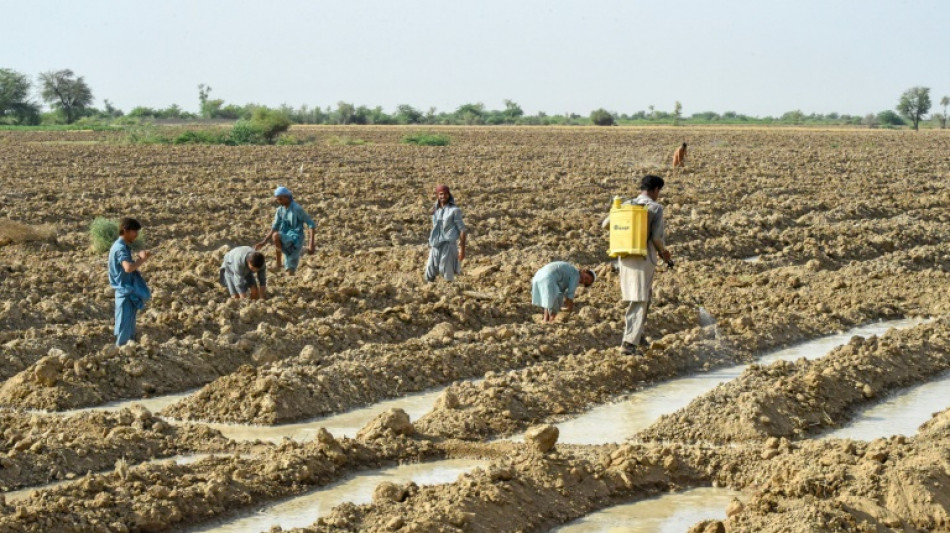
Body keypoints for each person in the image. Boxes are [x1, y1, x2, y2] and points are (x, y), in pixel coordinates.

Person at [617, 175, 672, 355]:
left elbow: (606, 224)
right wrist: (665, 254)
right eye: (659, 191)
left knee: (643, 296)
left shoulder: (625, 204)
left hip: (624, 256)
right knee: (640, 299)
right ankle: (628, 343)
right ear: (655, 190)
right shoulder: (655, 208)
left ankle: (638, 336)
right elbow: (656, 238)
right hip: (643, 257)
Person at [108, 218, 151, 346]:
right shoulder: (120, 248)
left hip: (126, 292)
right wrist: (142, 260)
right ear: (125, 231)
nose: (136, 235)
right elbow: (128, 268)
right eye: (134, 232)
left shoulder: (121, 246)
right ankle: (121, 356)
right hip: (124, 293)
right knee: (124, 328)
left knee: (128, 327)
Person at [255, 186, 316, 275]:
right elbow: (275, 227)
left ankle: (288, 271)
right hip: (285, 237)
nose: (278, 201)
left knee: (290, 268)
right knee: (276, 235)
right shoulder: (280, 210)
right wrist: (264, 241)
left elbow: (311, 224)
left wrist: (311, 244)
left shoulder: (297, 209)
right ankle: (279, 263)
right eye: (277, 199)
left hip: (296, 238)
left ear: (287, 197)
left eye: (280, 199)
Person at [425, 184, 467, 282]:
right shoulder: (435, 210)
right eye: (440, 194)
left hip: (448, 245)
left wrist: (462, 250)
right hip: (435, 244)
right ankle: (429, 291)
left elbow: (462, 230)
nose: (443, 196)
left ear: (449, 195)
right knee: (430, 270)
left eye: (445, 194)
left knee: (447, 272)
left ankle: (449, 293)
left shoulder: (455, 211)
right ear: (437, 195)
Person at [531, 261, 596, 323]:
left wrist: (562, 304)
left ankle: (546, 321)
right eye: (586, 278)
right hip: (548, 278)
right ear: (584, 271)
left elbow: (560, 292)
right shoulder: (576, 274)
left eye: (585, 283)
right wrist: (569, 309)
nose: (583, 281)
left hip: (538, 276)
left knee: (550, 302)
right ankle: (549, 321)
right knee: (552, 304)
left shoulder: (569, 272)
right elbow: (570, 293)